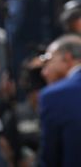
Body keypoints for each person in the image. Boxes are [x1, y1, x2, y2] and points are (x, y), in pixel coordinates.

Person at [39, 35, 81, 167]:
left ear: (67, 58)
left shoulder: (55, 95)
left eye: (48, 60)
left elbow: (50, 158)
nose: (44, 72)